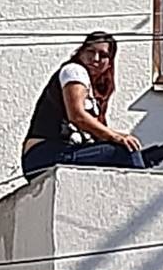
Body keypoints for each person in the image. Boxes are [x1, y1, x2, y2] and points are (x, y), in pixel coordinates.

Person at [21, 31, 147, 177]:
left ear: (109, 63)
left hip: (59, 153)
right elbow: (77, 116)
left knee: (131, 154)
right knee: (122, 154)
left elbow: (98, 134)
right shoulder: (74, 71)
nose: (95, 59)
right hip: (43, 155)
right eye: (90, 52)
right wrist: (117, 137)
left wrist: (124, 139)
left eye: (103, 55)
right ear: (81, 52)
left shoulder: (92, 91)